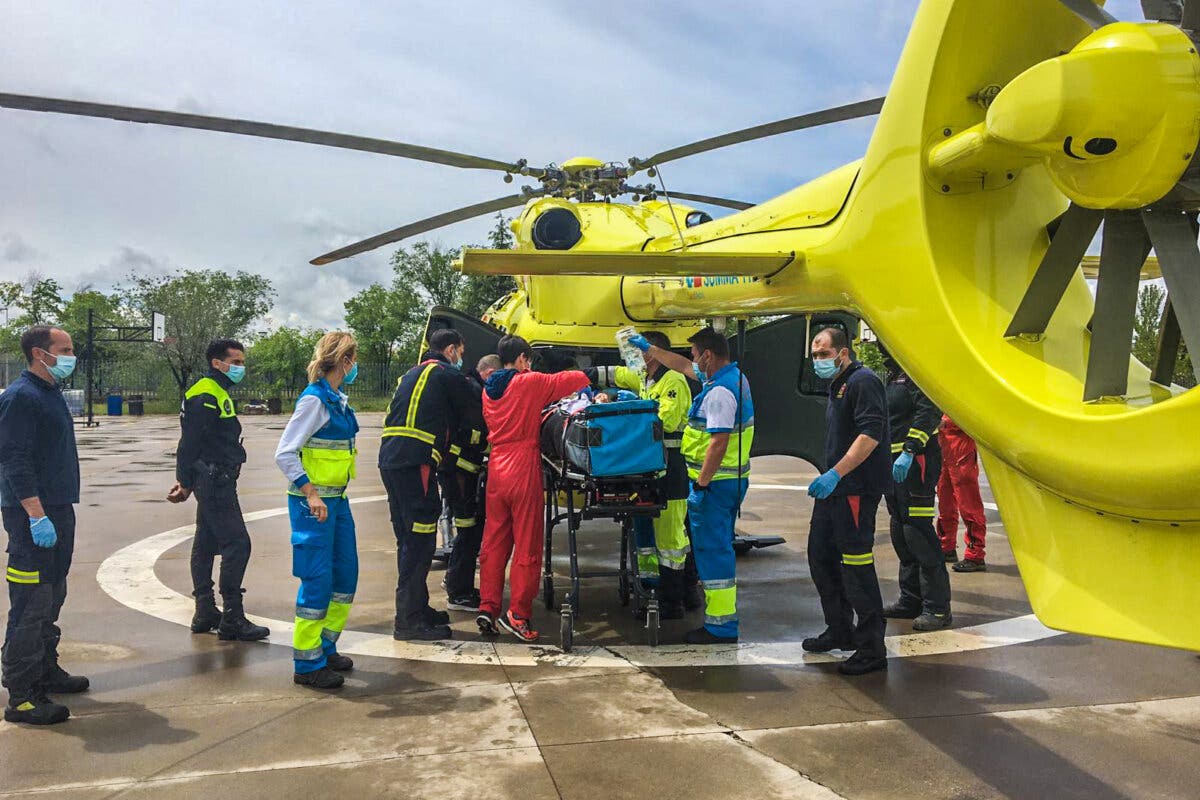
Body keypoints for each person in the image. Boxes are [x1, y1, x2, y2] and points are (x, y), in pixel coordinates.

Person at [628, 326, 752, 644]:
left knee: (713, 553)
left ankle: (721, 626)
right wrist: (650, 349)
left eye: (695, 355)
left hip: (717, 483)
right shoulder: (727, 379)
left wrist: (702, 483)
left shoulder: (721, 392)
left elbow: (719, 443)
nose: (691, 362)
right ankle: (716, 619)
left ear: (708, 356)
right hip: (724, 481)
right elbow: (680, 366)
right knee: (711, 550)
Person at [476, 335, 588, 642]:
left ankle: (488, 606)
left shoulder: (489, 390)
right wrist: (593, 375)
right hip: (522, 465)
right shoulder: (529, 382)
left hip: (496, 465)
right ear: (524, 359)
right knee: (527, 544)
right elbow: (572, 380)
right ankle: (519, 614)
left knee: (495, 541)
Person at [0, 326, 86, 725]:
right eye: (64, 349)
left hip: (57, 511)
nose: (72, 355)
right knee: (30, 605)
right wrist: (36, 515)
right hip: (32, 517)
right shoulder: (20, 397)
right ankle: (23, 696)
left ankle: (45, 670)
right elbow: (14, 461)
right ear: (40, 353)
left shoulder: (48, 393)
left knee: (52, 597)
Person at [380, 329, 482, 640]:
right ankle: (408, 621)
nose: (460, 357)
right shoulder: (447, 375)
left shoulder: (411, 374)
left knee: (407, 539)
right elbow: (477, 412)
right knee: (420, 542)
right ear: (452, 350)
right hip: (416, 463)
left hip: (391, 460)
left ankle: (417, 607)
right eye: (460, 351)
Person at [274, 332, 361, 689]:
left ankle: (325, 647)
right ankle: (307, 664)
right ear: (344, 361)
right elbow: (284, 453)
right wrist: (310, 493)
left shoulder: (338, 400)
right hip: (314, 506)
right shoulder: (314, 402)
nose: (355, 367)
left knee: (345, 577)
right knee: (318, 580)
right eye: (353, 360)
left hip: (337, 502)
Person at [167, 338, 269, 642]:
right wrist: (184, 482)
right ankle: (232, 618)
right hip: (214, 481)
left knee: (205, 542)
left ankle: (205, 611)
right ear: (217, 363)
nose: (240, 367)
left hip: (215, 478)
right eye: (235, 362)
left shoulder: (215, 392)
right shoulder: (205, 395)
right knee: (238, 545)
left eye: (241, 362)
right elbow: (189, 443)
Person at [803, 327, 890, 676]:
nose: (818, 360)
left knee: (855, 566)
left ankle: (871, 648)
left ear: (842, 352)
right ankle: (840, 629)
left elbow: (870, 434)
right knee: (820, 556)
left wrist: (835, 474)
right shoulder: (838, 384)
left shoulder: (862, 381)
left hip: (854, 488)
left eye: (823, 354)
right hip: (836, 490)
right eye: (814, 354)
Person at [588, 331, 693, 619]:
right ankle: (650, 589)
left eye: (635, 350)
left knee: (671, 540)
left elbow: (666, 421)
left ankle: (675, 601)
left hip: (671, 471)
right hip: (650, 469)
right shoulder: (645, 378)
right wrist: (599, 388)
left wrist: (632, 411)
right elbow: (618, 374)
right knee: (646, 533)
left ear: (651, 352)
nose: (631, 355)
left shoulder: (673, 380)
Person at [878, 344, 952, 631]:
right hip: (894, 463)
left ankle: (937, 608)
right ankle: (911, 599)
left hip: (917, 461)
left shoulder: (918, 373)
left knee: (918, 532)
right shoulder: (895, 373)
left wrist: (910, 448)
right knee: (900, 530)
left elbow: (929, 411)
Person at [440, 353, 500, 612]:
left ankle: (454, 580)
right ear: (488, 374)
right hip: (461, 472)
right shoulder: (474, 391)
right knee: (469, 530)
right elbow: (475, 434)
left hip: (458, 470)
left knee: (468, 530)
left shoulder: (467, 385)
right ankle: (459, 593)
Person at [937, 414, 988, 571]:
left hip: (961, 451)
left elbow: (970, 414)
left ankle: (975, 554)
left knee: (969, 505)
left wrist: (945, 422)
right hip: (945, 449)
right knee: (945, 503)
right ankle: (946, 547)